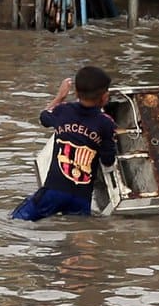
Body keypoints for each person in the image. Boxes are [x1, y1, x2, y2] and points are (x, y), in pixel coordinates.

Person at [14, 64, 116, 220]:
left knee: (17, 219)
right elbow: (108, 160)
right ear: (104, 97)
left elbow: (43, 117)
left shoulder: (63, 111)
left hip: (53, 191)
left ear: (75, 92)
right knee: (75, 234)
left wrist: (60, 96)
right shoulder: (106, 123)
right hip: (81, 198)